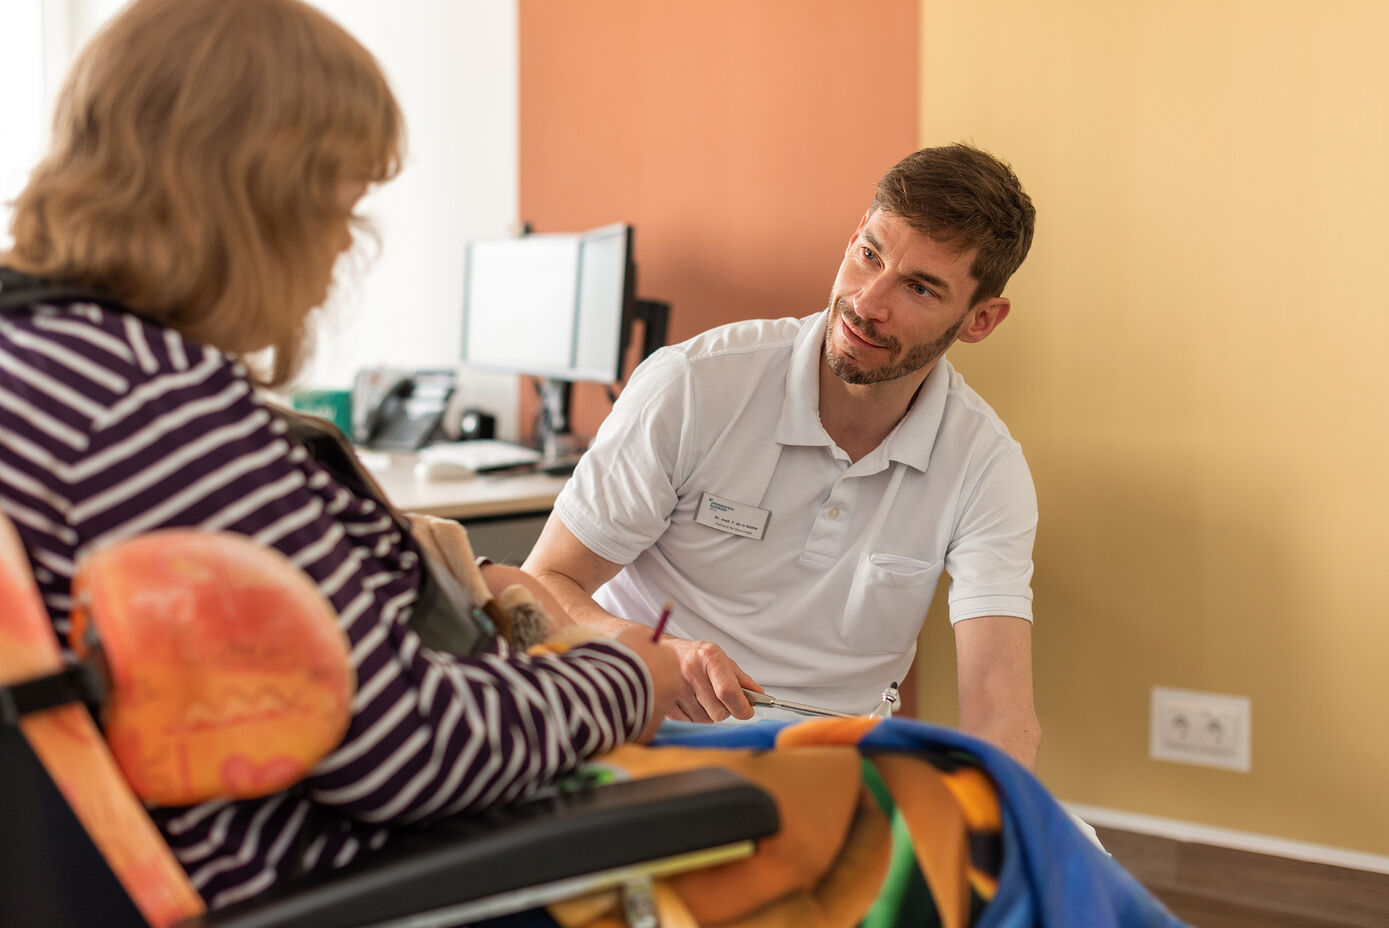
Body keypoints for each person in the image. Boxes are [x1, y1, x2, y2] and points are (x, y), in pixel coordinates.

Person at [0, 0, 679, 910]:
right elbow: (411, 754)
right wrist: (631, 679)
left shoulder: (42, 359)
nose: (340, 251)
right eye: (342, 206)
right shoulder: (157, 403)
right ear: (261, 201)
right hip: (323, 885)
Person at [523, 143, 1041, 769]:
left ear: (981, 319)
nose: (867, 303)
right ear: (853, 237)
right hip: (638, 733)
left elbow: (1000, 717)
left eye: (920, 288)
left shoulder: (985, 465)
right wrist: (641, 646)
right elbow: (542, 585)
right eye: (869, 254)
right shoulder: (693, 385)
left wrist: (998, 838)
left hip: (825, 766)